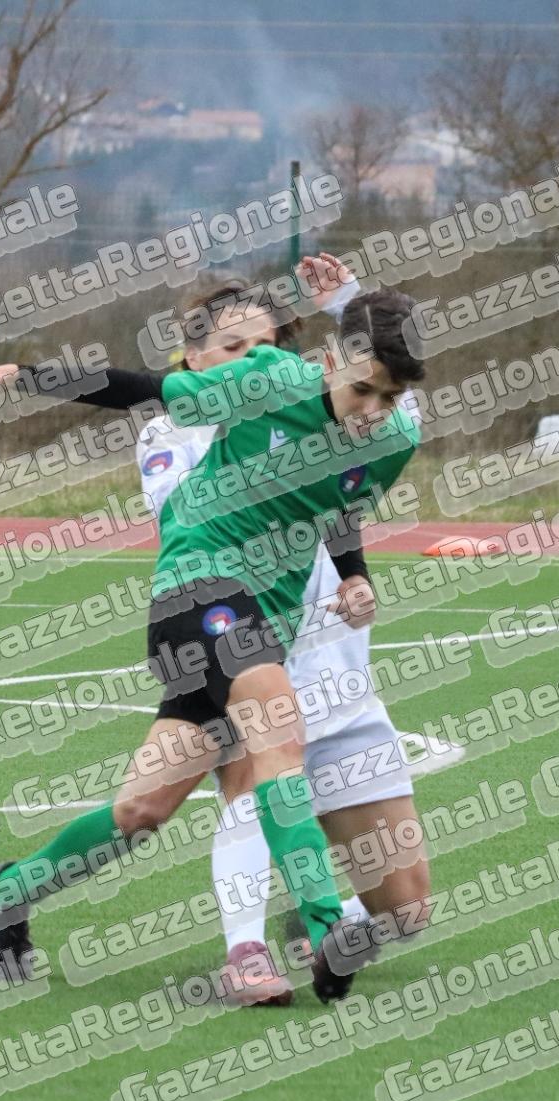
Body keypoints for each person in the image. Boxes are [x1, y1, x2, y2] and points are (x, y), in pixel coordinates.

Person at [0, 286, 427, 1002]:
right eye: (363, 390)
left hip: (264, 621)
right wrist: (15, 376)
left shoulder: (392, 441)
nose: (373, 411)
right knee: (279, 736)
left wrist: (354, 574)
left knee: (141, 811)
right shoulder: (267, 379)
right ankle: (327, 927)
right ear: (330, 361)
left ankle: (13, 889)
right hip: (198, 585)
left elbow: (336, 508)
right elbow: (136, 387)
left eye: (389, 399)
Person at [135, 262, 433, 1007]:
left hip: (343, 676)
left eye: (264, 346)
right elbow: (184, 521)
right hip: (245, 644)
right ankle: (247, 951)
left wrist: (349, 301)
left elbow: (383, 405)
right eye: (233, 348)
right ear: (193, 358)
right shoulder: (176, 434)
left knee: (407, 909)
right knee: (236, 783)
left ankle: (327, 923)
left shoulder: (344, 413)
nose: (251, 360)